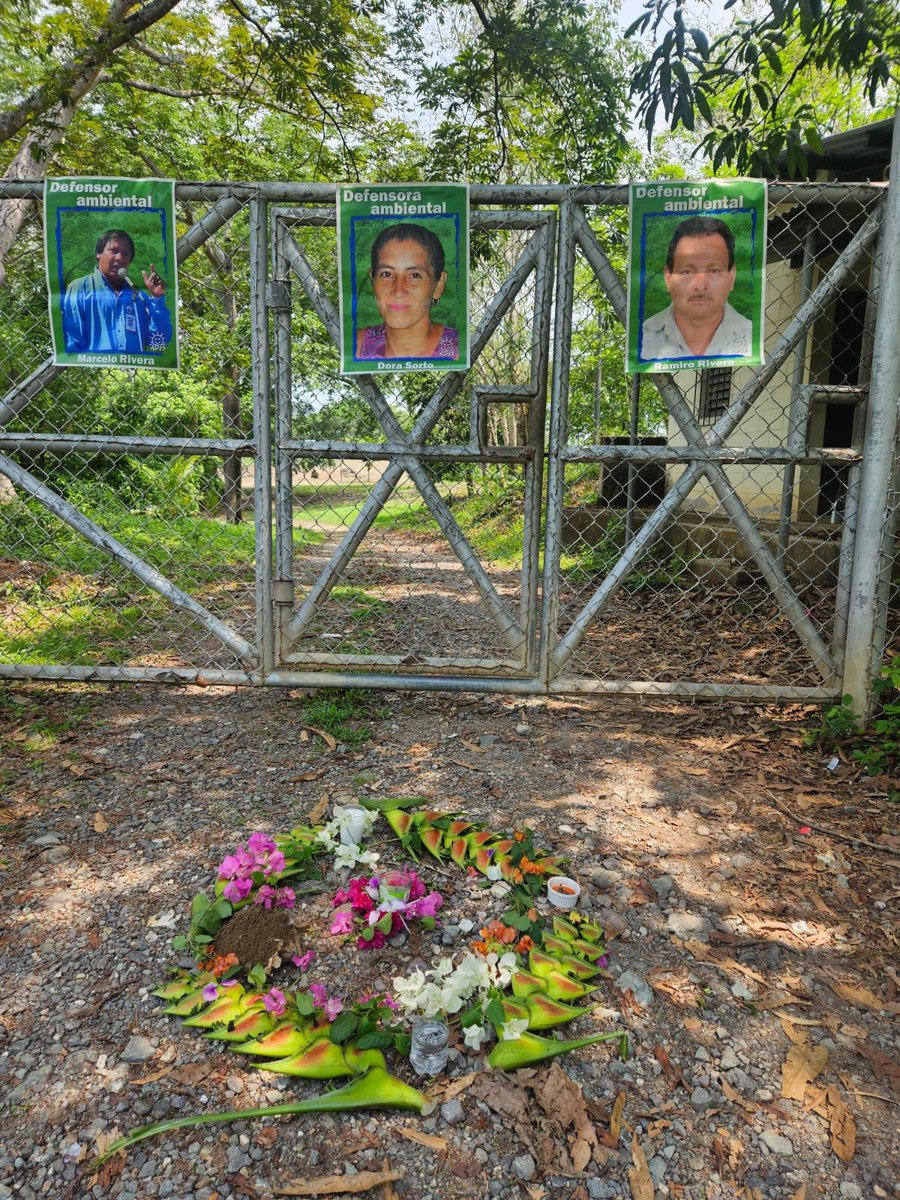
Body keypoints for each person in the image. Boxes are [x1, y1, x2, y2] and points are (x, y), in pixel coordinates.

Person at [640, 216, 752, 361]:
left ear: (732, 275)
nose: (700, 286)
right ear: (668, 277)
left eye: (714, 271)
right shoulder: (643, 335)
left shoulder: (751, 334)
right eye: (687, 272)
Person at [356, 223, 458, 360]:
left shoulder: (460, 350)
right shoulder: (357, 345)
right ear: (373, 281)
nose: (398, 291)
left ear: (439, 285)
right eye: (386, 274)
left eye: (415, 275)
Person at [61, 228, 173, 355]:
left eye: (126, 254)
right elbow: (73, 342)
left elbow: (158, 342)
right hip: (95, 370)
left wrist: (157, 299)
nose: (119, 258)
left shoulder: (140, 297)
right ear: (98, 253)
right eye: (113, 251)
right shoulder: (79, 288)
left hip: (134, 373)